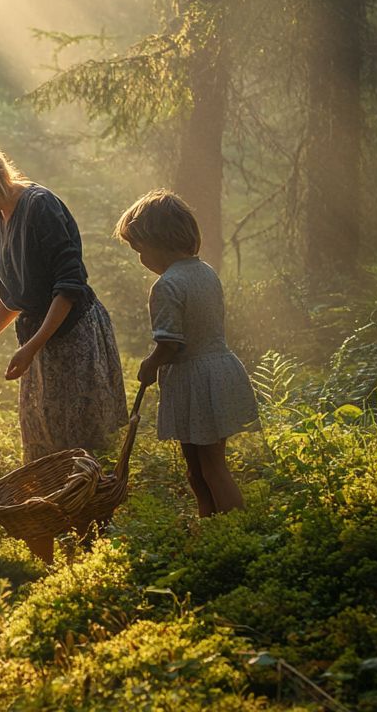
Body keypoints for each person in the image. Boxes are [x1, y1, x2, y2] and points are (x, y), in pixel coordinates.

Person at [0, 133, 127, 460]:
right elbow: (12, 297)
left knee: (78, 448)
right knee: (44, 446)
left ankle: (89, 508)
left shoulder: (40, 207)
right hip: (39, 344)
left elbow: (69, 287)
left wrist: (31, 347)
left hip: (73, 339)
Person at [114, 189, 258, 516]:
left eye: (139, 249)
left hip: (197, 380)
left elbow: (172, 343)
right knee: (197, 469)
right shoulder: (206, 273)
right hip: (217, 373)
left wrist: (149, 365)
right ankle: (212, 529)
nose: (141, 258)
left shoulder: (167, 285)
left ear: (157, 241)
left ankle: (238, 530)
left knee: (211, 467)